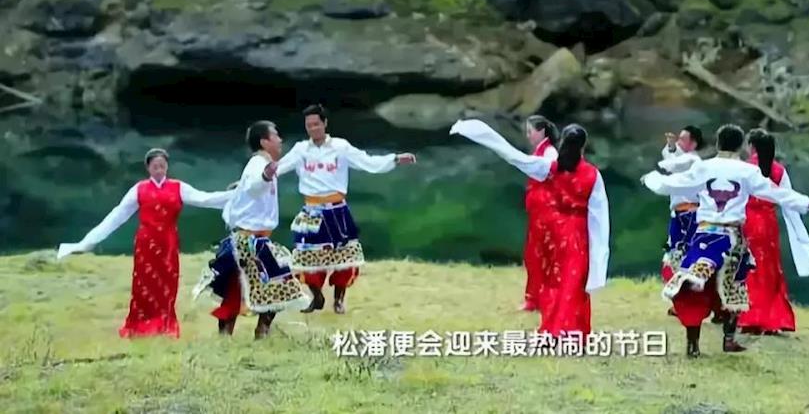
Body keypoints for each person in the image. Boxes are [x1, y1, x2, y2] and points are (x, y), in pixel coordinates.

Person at [640, 124, 809, 357]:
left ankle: (693, 345)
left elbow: (675, 183)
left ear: (718, 143)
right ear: (741, 146)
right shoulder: (747, 172)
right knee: (735, 285)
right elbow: (777, 193)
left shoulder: (704, 167)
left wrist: (651, 179)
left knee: (696, 286)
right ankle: (728, 339)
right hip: (732, 237)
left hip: (705, 234)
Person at [450, 119, 610, 342]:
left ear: (563, 141)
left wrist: (478, 132)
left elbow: (513, 156)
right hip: (576, 234)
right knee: (573, 283)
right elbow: (599, 216)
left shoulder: (549, 167)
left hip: (553, 233)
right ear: (583, 145)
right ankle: (571, 332)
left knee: (554, 281)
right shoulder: (593, 175)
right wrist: (599, 250)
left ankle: (552, 330)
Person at [57, 148, 234, 338]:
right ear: (148, 168)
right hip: (146, 243)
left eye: (162, 166)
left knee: (168, 283)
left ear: (167, 167)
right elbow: (117, 215)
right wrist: (89, 241)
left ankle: (165, 324)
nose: (159, 170)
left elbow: (205, 199)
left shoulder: (178, 187)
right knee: (143, 284)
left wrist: (238, 193)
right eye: (155, 166)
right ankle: (140, 325)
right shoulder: (139, 189)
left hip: (168, 242)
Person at [274, 104, 416, 314]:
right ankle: (317, 296)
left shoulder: (341, 147)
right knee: (306, 258)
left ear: (325, 123)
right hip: (311, 212)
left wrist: (394, 159)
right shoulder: (300, 150)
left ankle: (339, 299)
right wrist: (248, 182)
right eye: (309, 125)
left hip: (337, 211)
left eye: (316, 124)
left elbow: (367, 162)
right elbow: (276, 169)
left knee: (346, 259)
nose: (313, 129)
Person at [194, 121, 311, 339]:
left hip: (259, 239)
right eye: (275, 136)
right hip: (248, 242)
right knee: (248, 286)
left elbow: (249, 186)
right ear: (265, 142)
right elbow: (255, 186)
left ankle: (258, 331)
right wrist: (265, 176)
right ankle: (237, 334)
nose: (280, 140)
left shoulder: (265, 164)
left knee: (274, 285)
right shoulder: (258, 165)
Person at [738, 129, 809, 335]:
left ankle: (748, 316)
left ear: (752, 146)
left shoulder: (745, 168)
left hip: (746, 222)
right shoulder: (779, 171)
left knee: (746, 267)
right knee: (770, 269)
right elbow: (788, 200)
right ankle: (773, 318)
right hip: (768, 224)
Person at [656, 126, 704, 317]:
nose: (678, 142)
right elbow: (674, 162)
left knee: (687, 258)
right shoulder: (683, 159)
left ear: (693, 144)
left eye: (682, 139)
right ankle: (680, 301)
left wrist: (671, 149)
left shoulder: (694, 161)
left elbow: (673, 164)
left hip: (690, 215)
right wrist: (671, 148)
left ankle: (688, 302)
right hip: (679, 215)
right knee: (675, 257)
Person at [521, 115, 560, 312]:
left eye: (530, 131)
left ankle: (542, 297)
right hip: (537, 211)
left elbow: (551, 177)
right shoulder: (539, 152)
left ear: (541, 131)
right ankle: (533, 297)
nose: (528, 136)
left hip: (546, 212)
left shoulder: (550, 152)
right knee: (533, 254)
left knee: (542, 254)